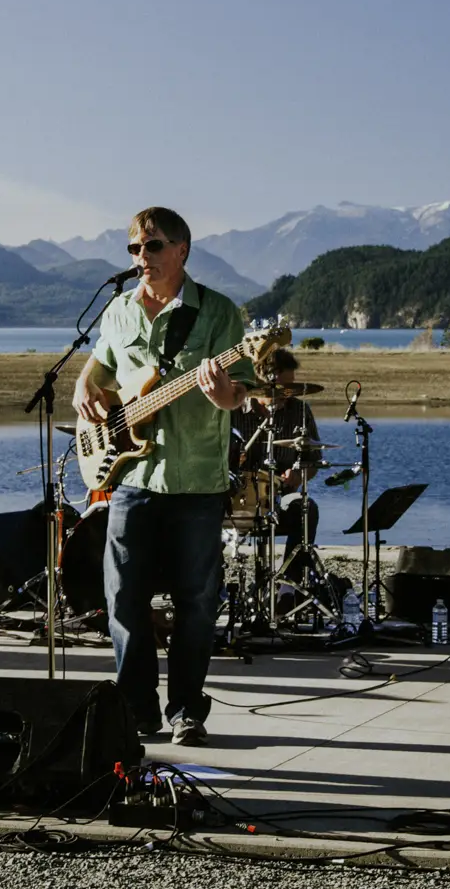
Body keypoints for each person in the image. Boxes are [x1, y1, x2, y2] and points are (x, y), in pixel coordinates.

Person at [73, 206, 253, 746]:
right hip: (131, 477)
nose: (141, 258)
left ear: (182, 251)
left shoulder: (219, 314)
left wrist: (225, 394)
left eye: (152, 247)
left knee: (196, 602)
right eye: (133, 249)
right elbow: (99, 366)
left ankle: (186, 711)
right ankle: (135, 710)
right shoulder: (120, 310)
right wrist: (85, 387)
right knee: (124, 598)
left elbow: (239, 391)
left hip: (196, 481)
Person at [230, 349, 321, 573]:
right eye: (281, 387)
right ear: (261, 381)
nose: (287, 392)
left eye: (291, 386)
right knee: (201, 512)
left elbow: (314, 460)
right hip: (236, 497)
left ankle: (287, 586)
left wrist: (300, 474)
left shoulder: (299, 410)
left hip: (280, 496)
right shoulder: (233, 411)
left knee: (307, 508)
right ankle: (213, 587)